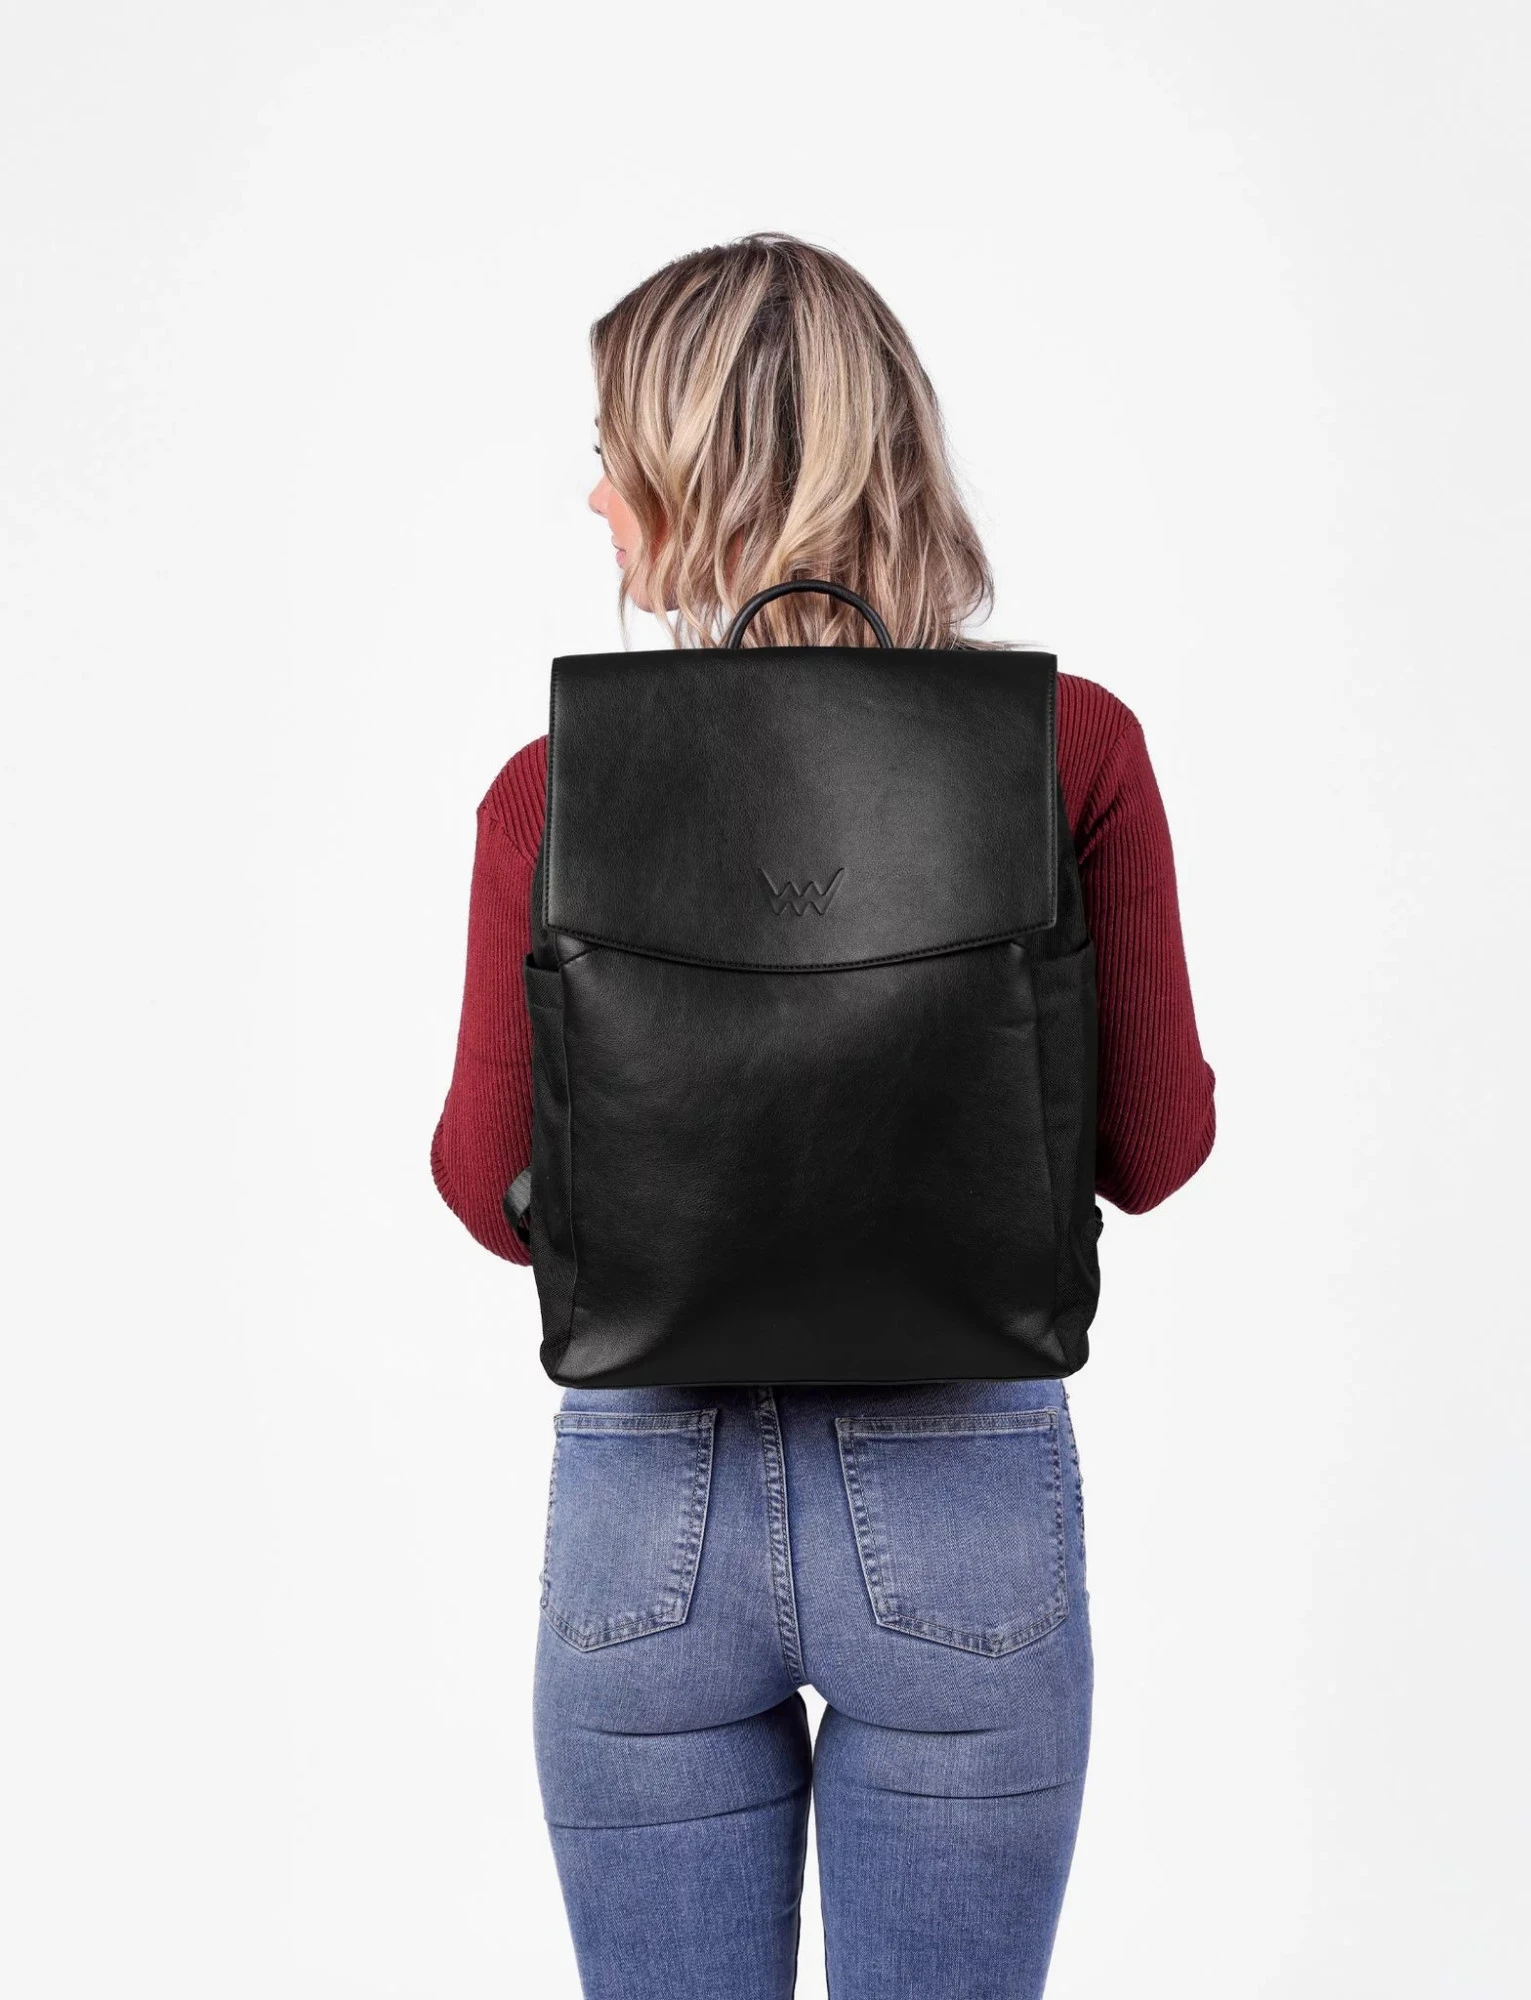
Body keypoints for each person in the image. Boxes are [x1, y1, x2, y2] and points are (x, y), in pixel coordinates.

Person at [431, 232, 1215, 2000]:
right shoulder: (1070, 747)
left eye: (612, 455)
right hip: (964, 1505)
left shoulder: (552, 788)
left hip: (647, 1504)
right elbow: (1156, 1153)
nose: (591, 497)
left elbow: (489, 1189)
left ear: (685, 481)